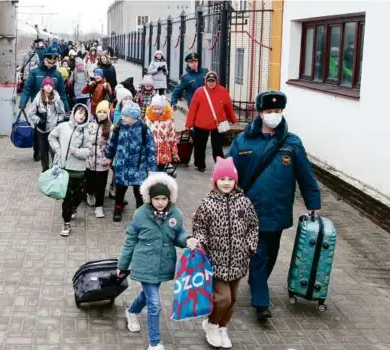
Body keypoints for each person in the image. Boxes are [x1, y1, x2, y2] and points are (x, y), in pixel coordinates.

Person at [227, 90, 321, 321]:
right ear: (259, 113)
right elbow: (227, 172)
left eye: (277, 111)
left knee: (271, 254)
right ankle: (261, 302)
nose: (274, 115)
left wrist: (313, 203)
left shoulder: (291, 142)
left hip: (278, 209)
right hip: (250, 209)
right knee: (258, 254)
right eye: (269, 111)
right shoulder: (244, 140)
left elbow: (306, 176)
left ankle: (257, 282)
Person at [116, 172, 200, 350]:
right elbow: (130, 239)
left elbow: (178, 235)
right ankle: (154, 343)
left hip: (163, 263)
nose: (160, 202)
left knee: (148, 295)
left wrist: (188, 240)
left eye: (164, 198)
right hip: (144, 263)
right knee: (154, 303)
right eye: (156, 198)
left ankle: (131, 311)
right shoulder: (140, 214)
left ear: (170, 198)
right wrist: (122, 265)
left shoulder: (175, 214)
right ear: (149, 198)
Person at [192, 156, 259, 348]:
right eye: (222, 179)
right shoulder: (208, 203)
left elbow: (254, 226)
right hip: (216, 261)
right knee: (223, 298)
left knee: (233, 300)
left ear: (235, 180)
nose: (226, 183)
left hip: (238, 260)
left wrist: (249, 246)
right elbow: (199, 228)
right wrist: (201, 244)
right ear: (215, 181)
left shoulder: (244, 203)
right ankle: (211, 324)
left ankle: (222, 327)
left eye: (230, 179)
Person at [105, 102, 157, 222]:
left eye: (125, 116)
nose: (123, 118)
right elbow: (113, 142)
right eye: (123, 115)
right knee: (120, 190)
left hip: (138, 167)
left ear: (133, 117)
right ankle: (118, 208)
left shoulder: (144, 129)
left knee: (139, 192)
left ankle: (140, 212)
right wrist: (109, 156)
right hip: (122, 166)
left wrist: (151, 168)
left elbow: (151, 149)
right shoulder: (119, 126)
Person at [48, 103, 92, 237]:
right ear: (74, 113)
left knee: (78, 196)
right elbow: (51, 137)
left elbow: (88, 151)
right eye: (79, 113)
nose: (81, 116)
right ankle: (66, 223)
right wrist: (57, 148)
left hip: (78, 171)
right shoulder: (63, 127)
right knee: (66, 198)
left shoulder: (86, 132)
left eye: (84, 115)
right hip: (63, 170)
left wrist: (77, 152)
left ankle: (74, 207)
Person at [185, 71, 237, 172]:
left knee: (217, 147)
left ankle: (220, 164)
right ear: (206, 81)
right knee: (200, 145)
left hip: (218, 124)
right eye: (209, 81)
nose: (211, 83)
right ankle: (200, 164)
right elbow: (193, 109)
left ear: (216, 81)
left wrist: (233, 119)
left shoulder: (223, 91)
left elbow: (228, 106)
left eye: (213, 81)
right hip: (201, 124)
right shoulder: (199, 92)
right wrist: (189, 124)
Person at [26, 77, 66, 169]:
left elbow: (61, 113)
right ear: (43, 87)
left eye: (50, 85)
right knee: (43, 152)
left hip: (53, 128)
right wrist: (38, 120)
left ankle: (55, 169)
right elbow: (30, 113)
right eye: (46, 85)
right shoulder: (37, 98)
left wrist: (58, 121)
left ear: (53, 87)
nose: (48, 87)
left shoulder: (57, 97)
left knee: (53, 151)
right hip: (41, 129)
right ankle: (45, 170)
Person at [85, 101, 112, 218]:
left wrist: (110, 157)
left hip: (103, 160)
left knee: (101, 184)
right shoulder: (90, 125)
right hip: (90, 159)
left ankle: (99, 206)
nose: (101, 114)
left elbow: (111, 144)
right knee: (89, 181)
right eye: (99, 112)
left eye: (104, 112)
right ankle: (89, 194)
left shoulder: (110, 127)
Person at [144, 95, 179, 171]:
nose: (157, 111)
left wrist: (174, 152)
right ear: (151, 108)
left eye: (159, 109)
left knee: (160, 172)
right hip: (150, 151)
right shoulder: (148, 119)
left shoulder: (169, 120)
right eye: (155, 109)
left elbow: (172, 137)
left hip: (163, 153)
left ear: (163, 108)